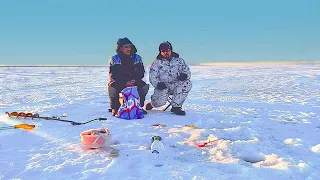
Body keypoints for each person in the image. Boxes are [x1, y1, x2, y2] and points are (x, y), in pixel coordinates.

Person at [145, 41, 192, 115]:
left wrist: (185, 75)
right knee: (159, 103)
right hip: (163, 86)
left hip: (176, 84)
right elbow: (152, 77)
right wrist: (158, 84)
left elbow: (187, 71)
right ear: (160, 52)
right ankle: (152, 104)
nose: (166, 52)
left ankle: (176, 107)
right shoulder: (156, 63)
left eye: (167, 50)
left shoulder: (179, 61)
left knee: (187, 83)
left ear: (171, 50)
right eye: (163, 51)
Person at [108, 37, 149, 116]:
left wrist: (134, 81)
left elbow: (141, 72)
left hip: (134, 81)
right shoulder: (115, 59)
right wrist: (125, 83)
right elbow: (113, 75)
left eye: (129, 47)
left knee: (143, 86)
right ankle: (115, 108)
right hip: (120, 82)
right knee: (112, 87)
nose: (128, 49)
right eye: (126, 47)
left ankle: (138, 106)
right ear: (121, 48)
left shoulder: (137, 58)